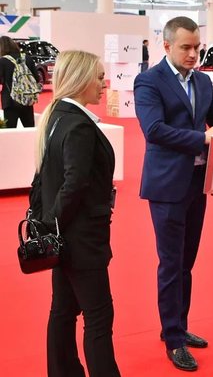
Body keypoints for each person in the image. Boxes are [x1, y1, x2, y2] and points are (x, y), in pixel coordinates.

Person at [134, 16, 213, 372]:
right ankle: (174, 340)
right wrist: (204, 138)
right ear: (167, 46)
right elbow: (154, 130)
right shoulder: (149, 81)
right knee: (171, 264)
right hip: (166, 185)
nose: (193, 54)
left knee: (186, 264)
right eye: (186, 48)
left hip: (197, 183)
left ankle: (177, 325)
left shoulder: (203, 81)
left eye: (197, 47)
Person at [38, 50, 120, 377]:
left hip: (66, 239)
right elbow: (73, 184)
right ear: (82, 79)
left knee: (63, 311)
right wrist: (52, 224)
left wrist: (47, 225)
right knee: (98, 319)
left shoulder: (56, 116)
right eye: (99, 77)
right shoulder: (78, 125)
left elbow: (42, 177)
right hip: (82, 240)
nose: (104, 84)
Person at [0, 35, 38, 128]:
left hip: (10, 101)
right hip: (27, 98)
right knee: (29, 129)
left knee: (10, 130)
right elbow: (36, 78)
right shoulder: (27, 59)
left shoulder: (3, 61)